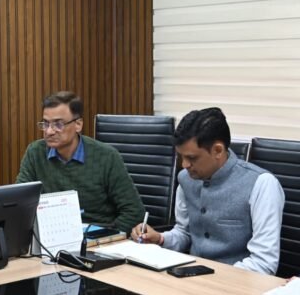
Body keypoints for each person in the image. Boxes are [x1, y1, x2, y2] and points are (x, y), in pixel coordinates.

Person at [131, 108, 284, 275]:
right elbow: (184, 233)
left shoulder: (261, 184)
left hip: (237, 283)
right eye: (181, 156)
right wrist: (160, 239)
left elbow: (264, 263)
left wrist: (213, 280)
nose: (184, 165)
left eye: (192, 158)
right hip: (190, 277)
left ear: (217, 150)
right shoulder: (186, 179)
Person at [16, 91, 144, 233]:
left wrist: (106, 237)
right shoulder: (35, 153)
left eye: (58, 124)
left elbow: (134, 212)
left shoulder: (107, 156)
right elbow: (20, 203)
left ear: (78, 124)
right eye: (46, 124)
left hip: (97, 236)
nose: (49, 131)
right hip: (53, 235)